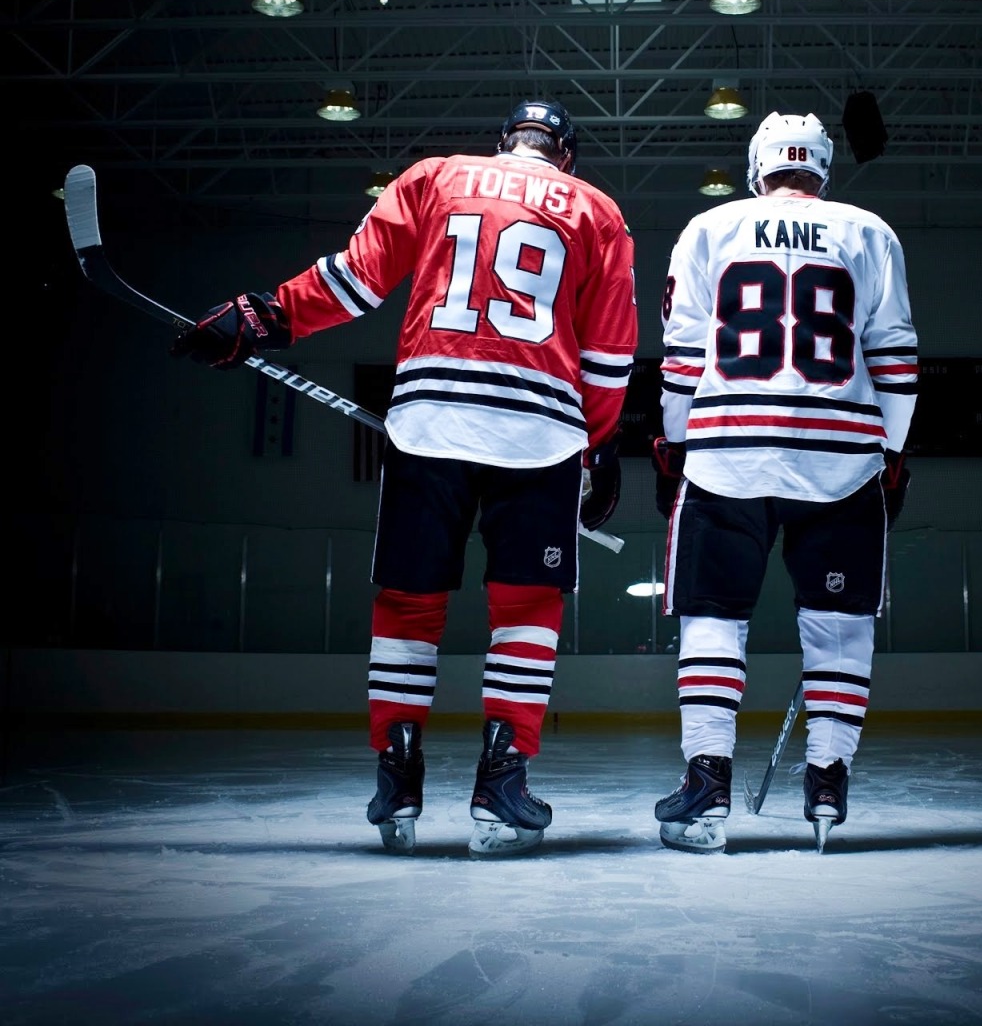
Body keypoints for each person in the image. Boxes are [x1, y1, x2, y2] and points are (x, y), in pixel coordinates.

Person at [171, 100, 638, 859]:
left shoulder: (435, 177)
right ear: (566, 156)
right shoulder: (597, 210)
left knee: (408, 603)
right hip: (540, 432)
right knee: (527, 609)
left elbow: (355, 281)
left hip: (430, 420)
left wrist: (264, 316)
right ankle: (503, 777)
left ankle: (398, 772)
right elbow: (610, 349)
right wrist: (601, 444)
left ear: (504, 142)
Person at [650, 110, 917, 854]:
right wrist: (890, 452)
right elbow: (895, 356)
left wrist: (674, 443)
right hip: (840, 460)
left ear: (756, 163)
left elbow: (680, 355)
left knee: (712, 616)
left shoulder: (709, 228)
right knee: (839, 626)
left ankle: (705, 784)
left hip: (728, 452)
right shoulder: (870, 230)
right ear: (823, 166)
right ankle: (828, 784)